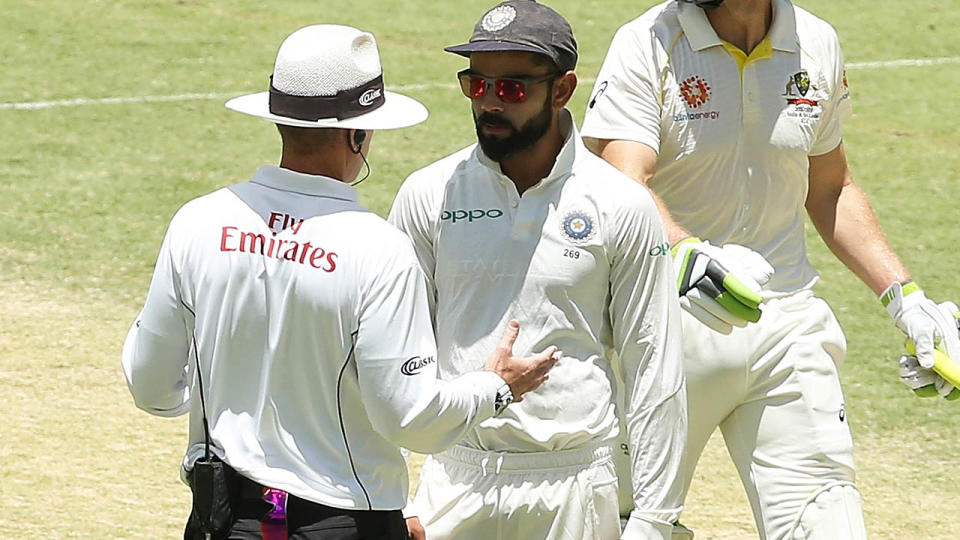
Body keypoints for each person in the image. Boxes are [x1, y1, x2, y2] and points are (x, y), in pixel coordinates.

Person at [121, 24, 560, 540]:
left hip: (222, 519)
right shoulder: (377, 249)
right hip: (341, 522)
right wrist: (495, 388)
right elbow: (410, 419)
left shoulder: (197, 221)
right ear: (358, 132)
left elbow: (151, 387)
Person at [581, 0, 960, 539]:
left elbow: (830, 187)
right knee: (619, 525)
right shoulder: (648, 41)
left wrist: (906, 298)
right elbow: (621, 179)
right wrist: (688, 254)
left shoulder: (815, 41)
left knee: (827, 523)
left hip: (785, 323)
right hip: (666, 323)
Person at [388, 2, 686, 539]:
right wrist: (388, 499)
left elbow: (654, 366)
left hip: (575, 486)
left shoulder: (620, 203)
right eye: (477, 86)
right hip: (454, 481)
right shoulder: (429, 193)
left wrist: (655, 520)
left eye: (512, 89)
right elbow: (388, 357)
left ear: (564, 89)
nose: (488, 104)